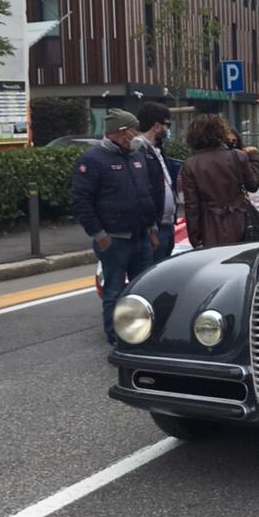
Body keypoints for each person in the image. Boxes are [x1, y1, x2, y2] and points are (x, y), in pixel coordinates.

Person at [71, 108, 159, 349]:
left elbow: (146, 195)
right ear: (123, 132)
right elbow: (81, 201)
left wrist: (151, 229)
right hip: (114, 240)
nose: (138, 134)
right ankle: (116, 338)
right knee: (114, 291)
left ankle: (142, 334)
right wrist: (100, 236)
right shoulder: (92, 160)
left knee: (143, 289)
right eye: (134, 129)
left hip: (141, 236)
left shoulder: (136, 156)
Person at [180, 113, 259, 249]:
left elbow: (192, 206)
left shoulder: (191, 164)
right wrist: (254, 159)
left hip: (210, 226)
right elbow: (253, 185)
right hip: (241, 221)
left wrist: (195, 238)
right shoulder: (238, 156)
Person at [133, 101, 180, 261]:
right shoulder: (139, 150)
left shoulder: (157, 150)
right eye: (167, 125)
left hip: (166, 223)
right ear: (157, 126)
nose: (167, 130)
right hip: (154, 226)